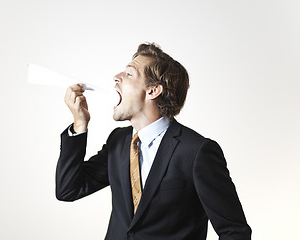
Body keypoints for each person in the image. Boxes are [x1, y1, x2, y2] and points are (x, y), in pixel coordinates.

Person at [56, 43, 251, 240]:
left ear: (153, 90)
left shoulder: (196, 152)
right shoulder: (118, 141)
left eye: (129, 74)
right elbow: (69, 189)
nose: (117, 77)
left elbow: (234, 232)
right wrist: (79, 124)